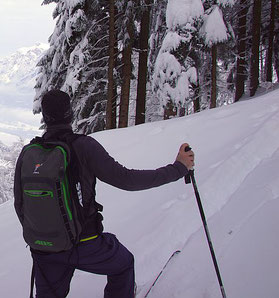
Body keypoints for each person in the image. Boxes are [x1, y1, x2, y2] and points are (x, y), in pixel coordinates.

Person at [13, 89, 195, 298]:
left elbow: (20, 205)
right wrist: (178, 169)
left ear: (44, 117)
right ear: (70, 114)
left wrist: (44, 236)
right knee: (123, 264)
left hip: (43, 250)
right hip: (84, 243)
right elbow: (127, 179)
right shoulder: (83, 147)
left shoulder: (28, 153)